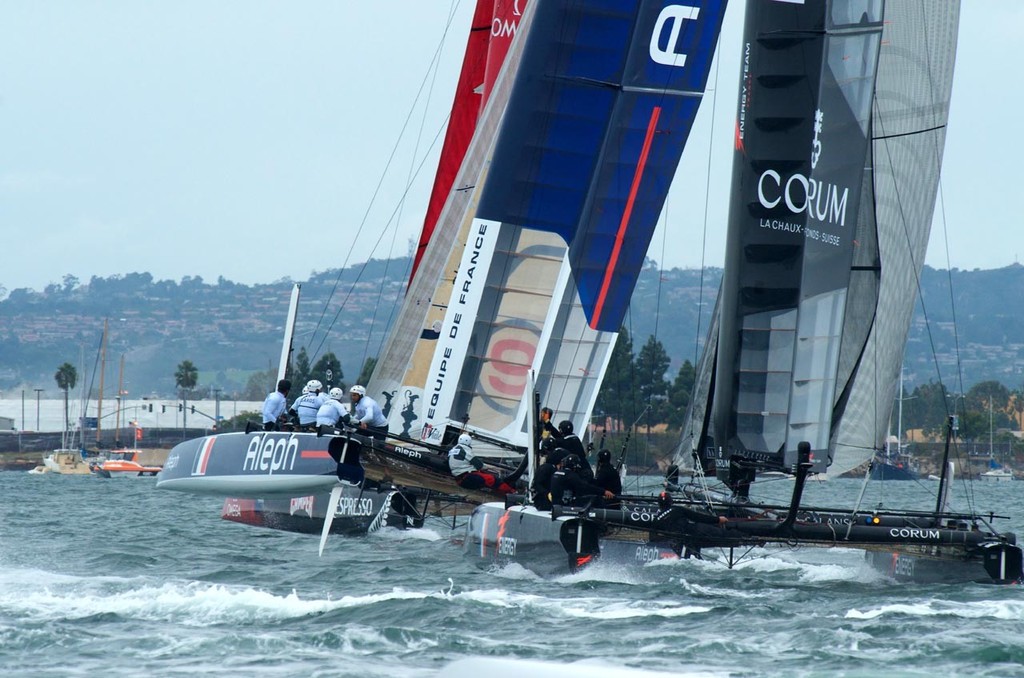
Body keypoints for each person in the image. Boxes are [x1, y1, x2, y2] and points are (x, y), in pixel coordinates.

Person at [447, 433, 516, 495]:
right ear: (469, 442)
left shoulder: (453, 450)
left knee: (483, 475)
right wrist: (491, 467)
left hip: (458, 479)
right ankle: (511, 491)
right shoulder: (465, 450)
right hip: (467, 478)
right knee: (492, 479)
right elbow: (479, 465)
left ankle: (501, 490)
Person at [549, 454, 614, 508]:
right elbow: (585, 487)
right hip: (566, 505)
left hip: (555, 504)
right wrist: (603, 492)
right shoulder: (571, 475)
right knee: (595, 499)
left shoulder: (556, 473)